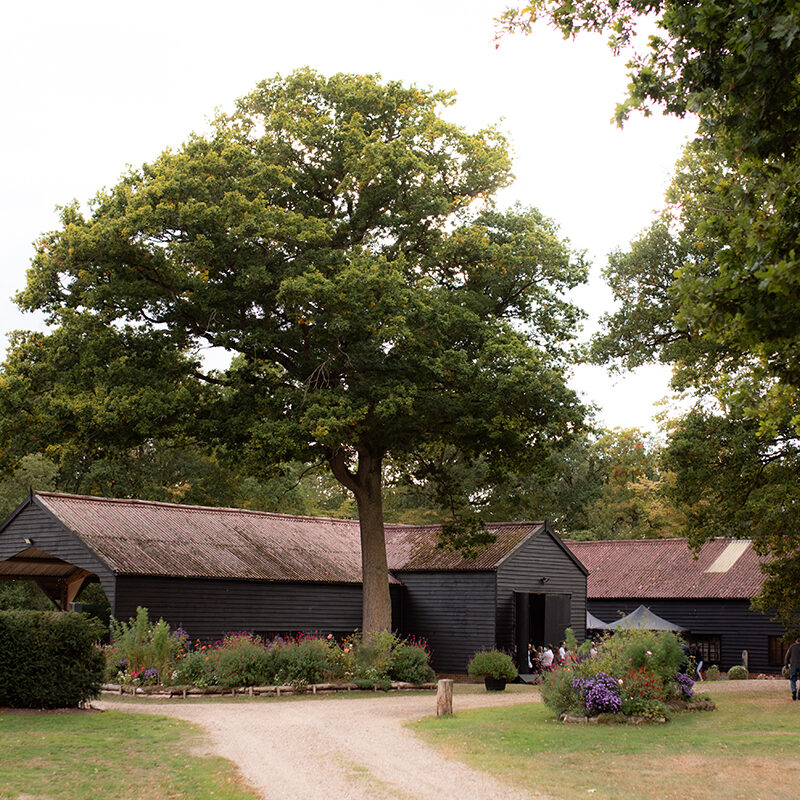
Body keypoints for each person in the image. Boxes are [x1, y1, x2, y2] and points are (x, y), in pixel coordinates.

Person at [785, 636, 800, 701]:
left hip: (793, 665)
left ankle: (794, 690)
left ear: (796, 640)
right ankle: (799, 695)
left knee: (793, 679)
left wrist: (786, 666)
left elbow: (787, 657)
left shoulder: (792, 646)